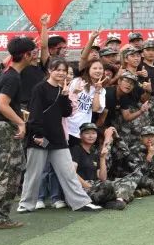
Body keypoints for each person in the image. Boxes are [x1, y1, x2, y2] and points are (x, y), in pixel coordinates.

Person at [16, 58, 103, 213]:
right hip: (40, 137)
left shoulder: (62, 89)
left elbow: (67, 113)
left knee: (68, 172)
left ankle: (81, 202)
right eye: (58, 70)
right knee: (34, 173)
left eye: (64, 70)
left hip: (58, 138)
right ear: (50, 70)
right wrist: (37, 134)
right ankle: (26, 204)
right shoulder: (40, 88)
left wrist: (65, 95)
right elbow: (35, 113)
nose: (61, 73)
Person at [0, 36, 40, 229]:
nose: (37, 54)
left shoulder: (10, 73)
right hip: (3, 126)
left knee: (15, 168)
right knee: (11, 170)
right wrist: (21, 123)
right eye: (34, 51)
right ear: (26, 55)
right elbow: (2, 105)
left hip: (2, 125)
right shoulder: (12, 77)